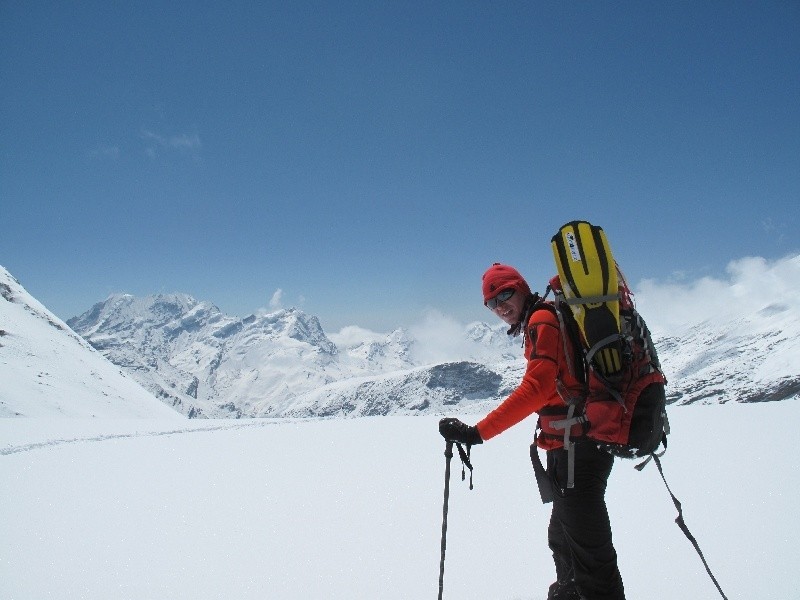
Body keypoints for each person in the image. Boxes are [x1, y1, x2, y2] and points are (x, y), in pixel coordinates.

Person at [439, 263, 664, 600]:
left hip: (579, 446)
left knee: (590, 553)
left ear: (521, 287)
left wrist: (477, 433)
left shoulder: (541, 320)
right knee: (563, 537)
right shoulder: (544, 317)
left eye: (505, 294)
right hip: (573, 444)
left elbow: (537, 388)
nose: (500, 306)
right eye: (492, 302)